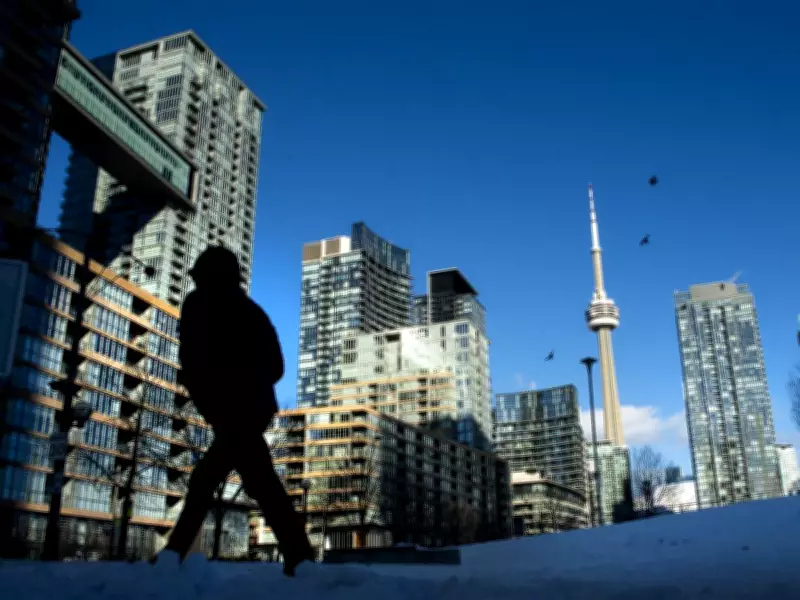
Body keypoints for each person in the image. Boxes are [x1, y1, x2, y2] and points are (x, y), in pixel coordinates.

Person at [156, 246, 313, 575]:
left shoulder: (202, 305)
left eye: (201, 275)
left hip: (236, 412)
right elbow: (275, 367)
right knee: (260, 484)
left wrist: (226, 382)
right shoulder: (251, 312)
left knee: (209, 481)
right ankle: (301, 558)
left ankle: (171, 556)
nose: (196, 279)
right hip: (246, 410)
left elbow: (196, 360)